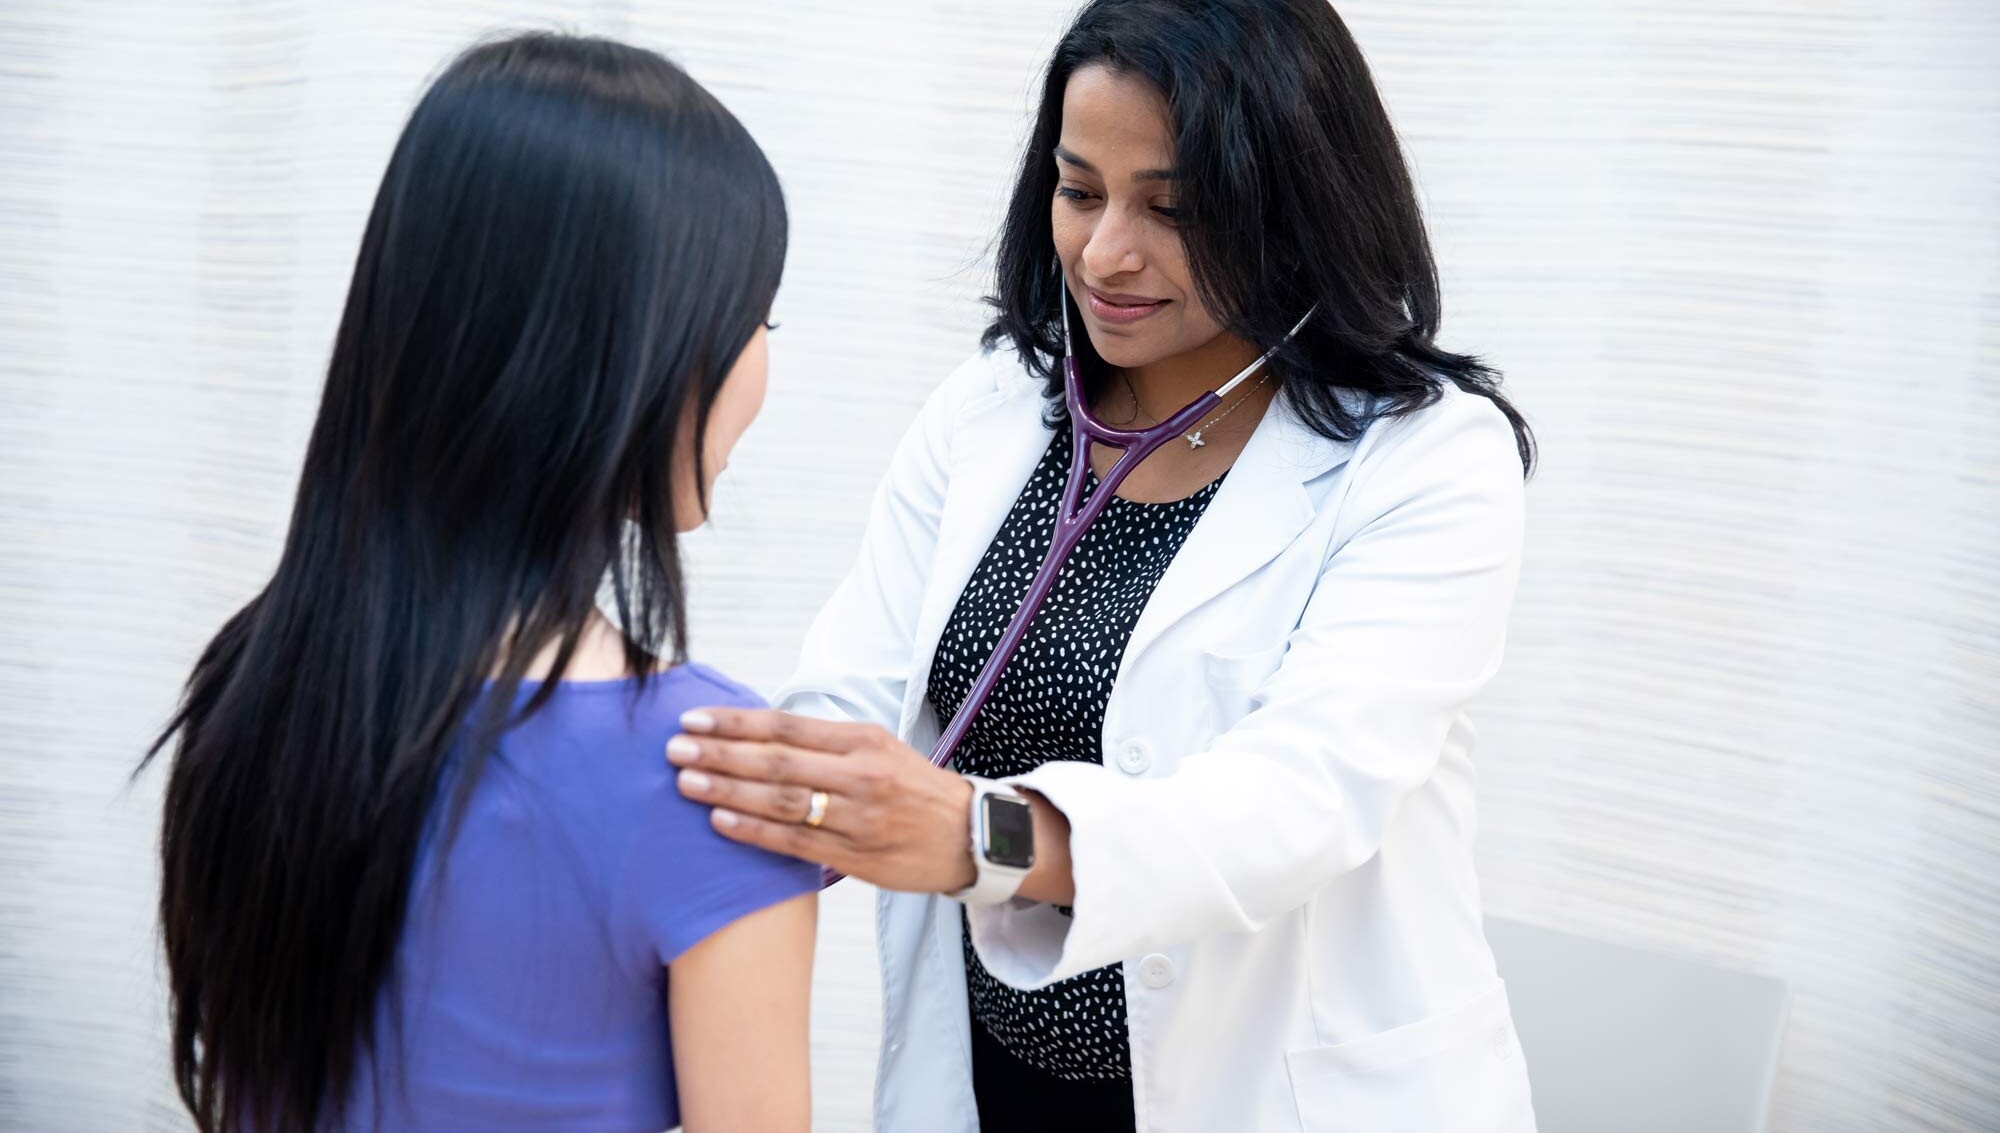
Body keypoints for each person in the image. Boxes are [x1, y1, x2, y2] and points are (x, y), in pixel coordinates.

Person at [666, 1, 1539, 1130]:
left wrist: (978, 831)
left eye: (1172, 209)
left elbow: (1299, 796)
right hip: (998, 1080)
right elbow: (857, 684)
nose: (1105, 250)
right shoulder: (994, 407)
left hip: (1272, 1092)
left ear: (1299, 208)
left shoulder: (1422, 460)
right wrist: (746, 784)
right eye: (1079, 191)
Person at [141, 33, 815, 1133]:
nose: (760, 359)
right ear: (634, 349)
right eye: (757, 316)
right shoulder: (714, 772)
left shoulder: (252, 679)